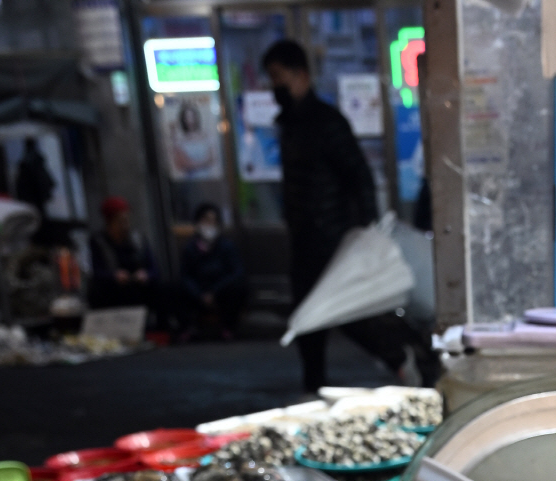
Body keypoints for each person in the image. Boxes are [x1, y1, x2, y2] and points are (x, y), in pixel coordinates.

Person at [261, 37, 435, 391]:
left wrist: (367, 231)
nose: (274, 86)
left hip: (333, 238)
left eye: (279, 77)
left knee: (352, 313)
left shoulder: (327, 123)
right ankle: (314, 386)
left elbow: (359, 175)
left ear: (300, 74)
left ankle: (404, 357)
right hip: (305, 240)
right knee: (310, 318)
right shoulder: (289, 125)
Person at [178, 203, 246, 336]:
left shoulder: (227, 246)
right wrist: (199, 294)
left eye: (213, 221)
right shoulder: (190, 248)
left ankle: (228, 327)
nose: (210, 225)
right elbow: (185, 275)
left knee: (238, 288)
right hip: (199, 292)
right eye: (206, 220)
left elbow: (237, 272)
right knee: (176, 288)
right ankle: (187, 328)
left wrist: (214, 292)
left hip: (221, 290)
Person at [89, 196, 163, 316]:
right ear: (109, 223)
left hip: (139, 289)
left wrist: (146, 274)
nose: (126, 225)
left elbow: (155, 269)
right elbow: (96, 273)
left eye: (127, 220)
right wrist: (114, 276)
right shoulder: (99, 242)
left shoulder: (138, 239)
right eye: (121, 221)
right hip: (113, 293)